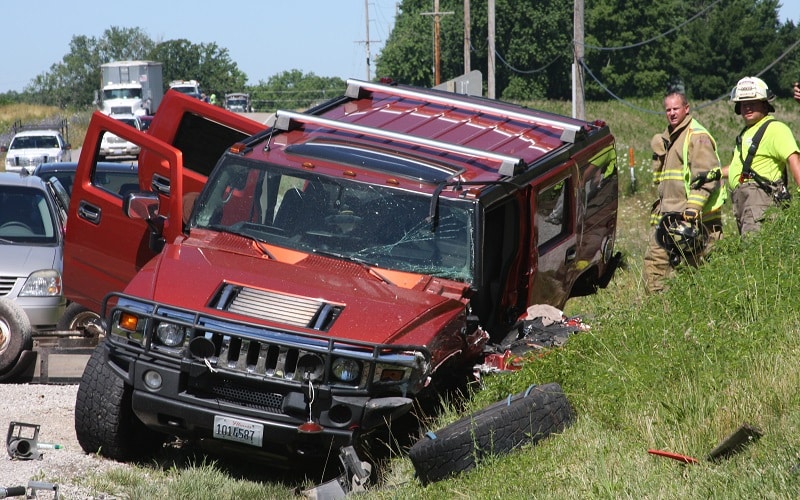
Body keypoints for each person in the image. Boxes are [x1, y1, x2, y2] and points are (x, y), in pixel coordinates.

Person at [643, 91, 725, 293]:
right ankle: (657, 314)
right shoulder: (670, 137)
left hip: (692, 221)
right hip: (669, 219)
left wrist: (693, 208)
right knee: (654, 268)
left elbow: (706, 176)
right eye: (668, 109)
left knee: (696, 275)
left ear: (686, 109)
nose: (671, 113)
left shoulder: (697, 136)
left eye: (676, 108)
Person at [723, 76, 800, 235]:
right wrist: (714, 173)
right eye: (743, 104)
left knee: (756, 250)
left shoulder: (775, 129)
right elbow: (739, 167)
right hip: (744, 202)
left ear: (765, 105)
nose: (747, 108)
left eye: (752, 103)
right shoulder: (746, 133)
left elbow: (794, 161)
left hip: (760, 201)